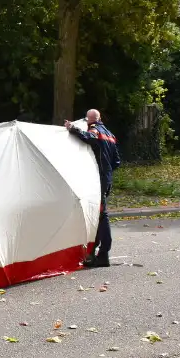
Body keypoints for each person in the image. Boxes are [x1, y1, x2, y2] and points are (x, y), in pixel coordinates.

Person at [65, 109, 122, 268]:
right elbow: (117, 161)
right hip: (107, 179)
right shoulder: (110, 134)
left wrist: (73, 128)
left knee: (102, 216)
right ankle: (94, 252)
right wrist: (108, 172)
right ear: (100, 118)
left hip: (99, 180)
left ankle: (103, 254)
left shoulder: (94, 130)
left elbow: (88, 137)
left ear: (88, 120)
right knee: (98, 215)